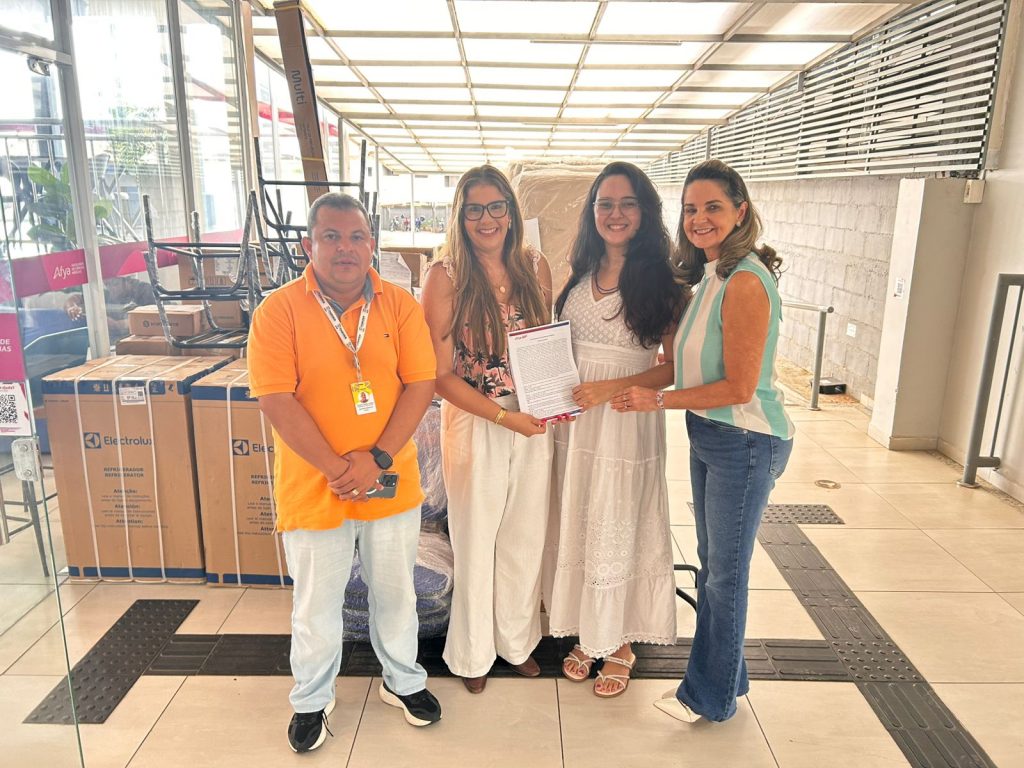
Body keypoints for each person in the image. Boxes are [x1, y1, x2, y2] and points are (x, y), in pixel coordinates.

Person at [247, 192, 442, 754]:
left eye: (356, 237)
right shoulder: (279, 311)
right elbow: (276, 399)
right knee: (316, 602)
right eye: (330, 236)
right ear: (308, 245)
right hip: (315, 484)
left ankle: (403, 681)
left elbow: (421, 384)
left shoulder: (399, 305)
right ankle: (312, 698)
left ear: (371, 244)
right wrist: (338, 468)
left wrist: (374, 459)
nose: (345, 248)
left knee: (395, 592)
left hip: (388, 479)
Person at [611, 159, 795, 723]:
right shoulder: (712, 276)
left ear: (741, 211)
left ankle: (709, 698)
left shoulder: (745, 281)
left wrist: (657, 401)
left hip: (745, 439)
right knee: (716, 566)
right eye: (691, 209)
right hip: (713, 433)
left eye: (713, 207)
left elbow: (739, 387)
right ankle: (727, 678)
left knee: (724, 576)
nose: (700, 219)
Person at [547, 161, 684, 698]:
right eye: (605, 203)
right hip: (576, 421)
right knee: (580, 512)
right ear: (592, 212)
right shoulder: (579, 272)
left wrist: (611, 388)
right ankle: (589, 629)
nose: (616, 213)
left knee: (619, 518)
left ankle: (621, 640)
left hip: (625, 418)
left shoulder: (663, 282)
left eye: (628, 203)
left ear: (645, 212)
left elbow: (672, 368)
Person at [421, 165, 553, 694]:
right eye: (474, 209)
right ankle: (473, 654)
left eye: (496, 206)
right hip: (477, 418)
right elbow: (439, 376)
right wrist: (503, 417)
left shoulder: (535, 265)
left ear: (511, 212)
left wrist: (552, 400)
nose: (487, 218)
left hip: (533, 415)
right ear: (460, 216)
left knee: (524, 534)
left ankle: (515, 643)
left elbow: (545, 345)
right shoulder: (446, 276)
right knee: (476, 537)